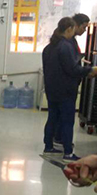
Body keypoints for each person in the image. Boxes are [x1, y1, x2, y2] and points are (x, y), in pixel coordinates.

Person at [42, 17, 97, 162]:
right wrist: (90, 70)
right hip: (65, 91)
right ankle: (68, 153)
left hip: (52, 90)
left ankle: (48, 147)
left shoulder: (49, 47)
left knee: (52, 118)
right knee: (67, 121)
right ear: (69, 29)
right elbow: (72, 69)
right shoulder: (65, 46)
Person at [54, 13, 90, 149]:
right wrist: (88, 70)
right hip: (66, 85)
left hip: (65, 84)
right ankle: (64, 145)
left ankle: (58, 139)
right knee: (66, 116)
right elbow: (70, 67)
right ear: (74, 26)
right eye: (84, 27)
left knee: (60, 115)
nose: (84, 30)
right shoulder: (66, 43)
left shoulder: (68, 42)